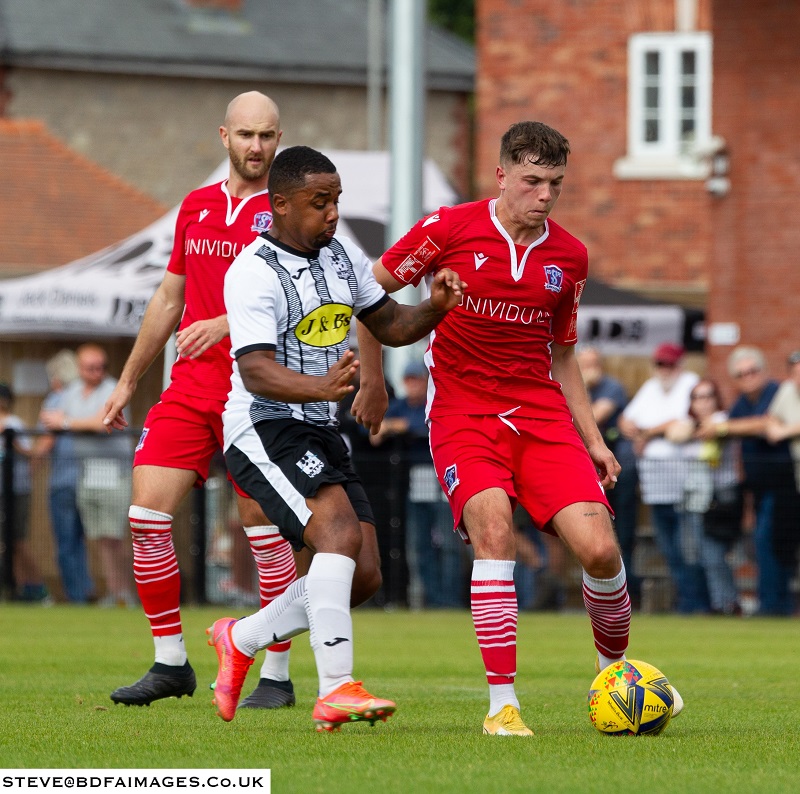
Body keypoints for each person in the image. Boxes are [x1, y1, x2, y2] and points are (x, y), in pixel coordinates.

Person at [357, 121, 683, 735]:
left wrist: (594, 440)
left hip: (539, 415)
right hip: (462, 412)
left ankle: (615, 682)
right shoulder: (447, 229)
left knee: (602, 550)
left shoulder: (570, 256)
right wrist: (373, 383)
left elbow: (563, 356)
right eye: (532, 180)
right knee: (495, 533)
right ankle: (501, 705)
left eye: (555, 183)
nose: (544, 194)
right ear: (502, 174)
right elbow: (371, 292)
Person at [206, 145, 466, 731]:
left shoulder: (342, 255)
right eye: (319, 203)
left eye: (337, 201)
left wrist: (437, 307)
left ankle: (241, 636)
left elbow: (392, 325)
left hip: (319, 427)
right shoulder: (252, 271)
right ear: (279, 205)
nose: (331, 214)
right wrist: (323, 385)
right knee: (338, 536)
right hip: (262, 427)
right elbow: (254, 371)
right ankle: (336, 689)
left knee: (365, 575)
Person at [102, 92, 299, 707]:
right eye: (246, 135)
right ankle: (170, 662)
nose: (257, 147)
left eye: (267, 136)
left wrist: (227, 324)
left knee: (262, 532)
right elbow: (167, 298)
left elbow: (308, 306)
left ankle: (277, 675)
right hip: (189, 389)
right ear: (224, 136)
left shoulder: (294, 211)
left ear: (278, 137)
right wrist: (130, 379)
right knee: (146, 516)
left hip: (258, 391)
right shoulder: (197, 206)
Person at [695, 346, 794, 616]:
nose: (748, 377)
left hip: (785, 485)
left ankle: (773, 606)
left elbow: (765, 424)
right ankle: (774, 604)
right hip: (758, 489)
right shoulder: (740, 403)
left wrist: (724, 428)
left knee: (769, 542)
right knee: (765, 544)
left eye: (752, 371)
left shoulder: (778, 392)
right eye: (741, 374)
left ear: (764, 371)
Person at [41, 344, 135, 607]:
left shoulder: (113, 389)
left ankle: (124, 593)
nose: (96, 372)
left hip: (113, 472)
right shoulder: (72, 392)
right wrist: (61, 420)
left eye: (100, 367)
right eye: (90, 367)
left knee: (115, 536)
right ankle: (114, 593)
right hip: (87, 473)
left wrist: (67, 422)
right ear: (79, 369)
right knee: (101, 537)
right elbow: (52, 418)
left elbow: (100, 423)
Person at [370, 359, 465, 609]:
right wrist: (393, 426)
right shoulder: (398, 406)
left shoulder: (433, 403)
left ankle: (450, 599)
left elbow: (437, 429)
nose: (412, 385)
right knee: (421, 544)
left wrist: (404, 427)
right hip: (417, 480)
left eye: (417, 380)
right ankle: (433, 599)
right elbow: (374, 435)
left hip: (443, 477)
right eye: (408, 380)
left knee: (447, 542)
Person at [618, 343, 703, 613]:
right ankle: (687, 603)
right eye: (660, 364)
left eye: (670, 364)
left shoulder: (691, 383)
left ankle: (695, 602)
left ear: (680, 364)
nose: (664, 369)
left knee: (687, 550)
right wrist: (635, 430)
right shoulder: (651, 388)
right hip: (655, 486)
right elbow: (626, 419)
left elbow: (679, 422)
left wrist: (645, 433)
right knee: (670, 550)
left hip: (685, 486)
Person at [669, 378, 742, 615]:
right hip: (691, 498)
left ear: (716, 399)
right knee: (692, 555)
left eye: (708, 396)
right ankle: (706, 604)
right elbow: (675, 434)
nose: (703, 403)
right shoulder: (688, 423)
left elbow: (711, 430)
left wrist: (694, 428)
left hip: (717, 499)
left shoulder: (722, 421)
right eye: (697, 397)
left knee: (713, 556)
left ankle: (727, 603)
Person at [576, 345, 640, 605]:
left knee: (622, 534)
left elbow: (589, 418)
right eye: (585, 364)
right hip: (586, 472)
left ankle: (626, 595)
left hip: (618, 469)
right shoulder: (567, 388)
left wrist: (582, 387)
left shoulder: (612, 387)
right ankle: (600, 596)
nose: (592, 369)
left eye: (595, 363)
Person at [35, 349, 95, 603]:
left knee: (66, 542)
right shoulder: (84, 398)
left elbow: (47, 441)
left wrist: (31, 459)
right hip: (88, 478)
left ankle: (76, 596)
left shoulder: (55, 400)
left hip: (63, 481)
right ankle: (87, 589)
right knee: (81, 542)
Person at [0, 383, 48, 603]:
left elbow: (30, 454)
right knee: (6, 542)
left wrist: (10, 439)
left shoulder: (14, 423)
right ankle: (17, 589)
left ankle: (39, 587)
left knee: (17, 540)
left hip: (17, 490)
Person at [764, 350, 800, 593]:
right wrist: (780, 428)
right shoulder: (787, 391)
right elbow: (770, 422)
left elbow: (780, 432)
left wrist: (786, 430)